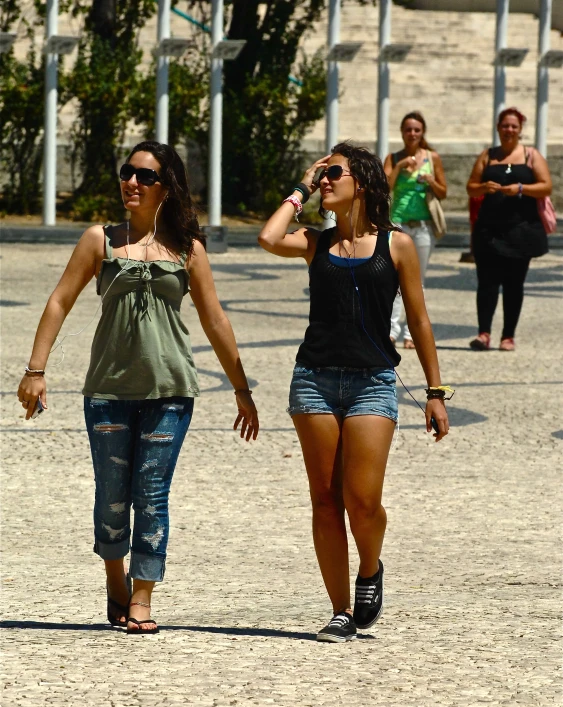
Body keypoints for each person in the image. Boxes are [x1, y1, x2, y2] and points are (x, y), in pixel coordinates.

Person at [17, 141, 259, 634]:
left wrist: (242, 389)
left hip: (170, 390)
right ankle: (115, 580)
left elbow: (215, 320)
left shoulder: (188, 249)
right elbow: (60, 300)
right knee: (111, 494)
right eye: (127, 172)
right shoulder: (99, 240)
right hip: (107, 389)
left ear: (166, 187)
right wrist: (35, 369)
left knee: (152, 492)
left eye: (145, 176)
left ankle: (143, 592)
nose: (132, 181)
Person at [258, 143, 450, 643]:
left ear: (360, 182)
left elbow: (420, 318)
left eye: (333, 173)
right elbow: (266, 236)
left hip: (373, 381)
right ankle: (340, 609)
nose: (325, 180)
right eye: (322, 174)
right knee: (325, 501)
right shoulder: (314, 242)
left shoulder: (398, 245)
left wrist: (434, 390)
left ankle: (370, 568)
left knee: (361, 501)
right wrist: (301, 187)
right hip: (314, 380)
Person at [466, 107, 552, 351]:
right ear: (498, 127)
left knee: (514, 284)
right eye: (505, 125)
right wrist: (484, 187)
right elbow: (471, 187)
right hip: (488, 231)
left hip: (520, 231)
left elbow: (546, 186)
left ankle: (508, 336)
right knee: (487, 283)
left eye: (514, 126)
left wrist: (521, 189)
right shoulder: (487, 155)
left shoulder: (530, 155)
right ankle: (483, 333)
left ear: (520, 129)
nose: (509, 130)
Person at [383, 111, 447, 349]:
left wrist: (430, 180)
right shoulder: (394, 157)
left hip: (422, 227)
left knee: (418, 280)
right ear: (402, 132)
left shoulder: (432, 158)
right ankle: (391, 330)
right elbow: (383, 187)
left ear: (423, 133)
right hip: (397, 224)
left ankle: (412, 333)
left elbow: (443, 192)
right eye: (408, 130)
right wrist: (399, 166)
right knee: (392, 280)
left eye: (416, 130)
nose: (412, 134)